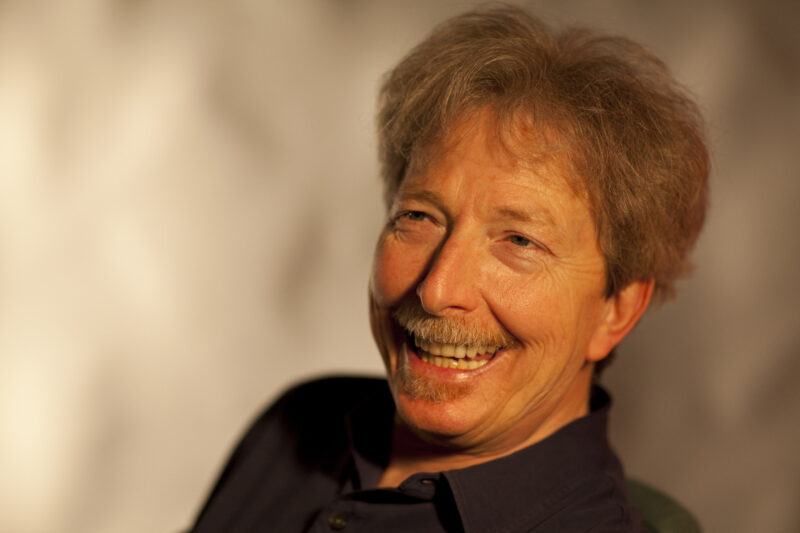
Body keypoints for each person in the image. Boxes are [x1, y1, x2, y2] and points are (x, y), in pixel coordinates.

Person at [190, 5, 709, 532]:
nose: (437, 290)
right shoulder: (299, 423)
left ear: (615, 311)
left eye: (519, 241)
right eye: (419, 217)